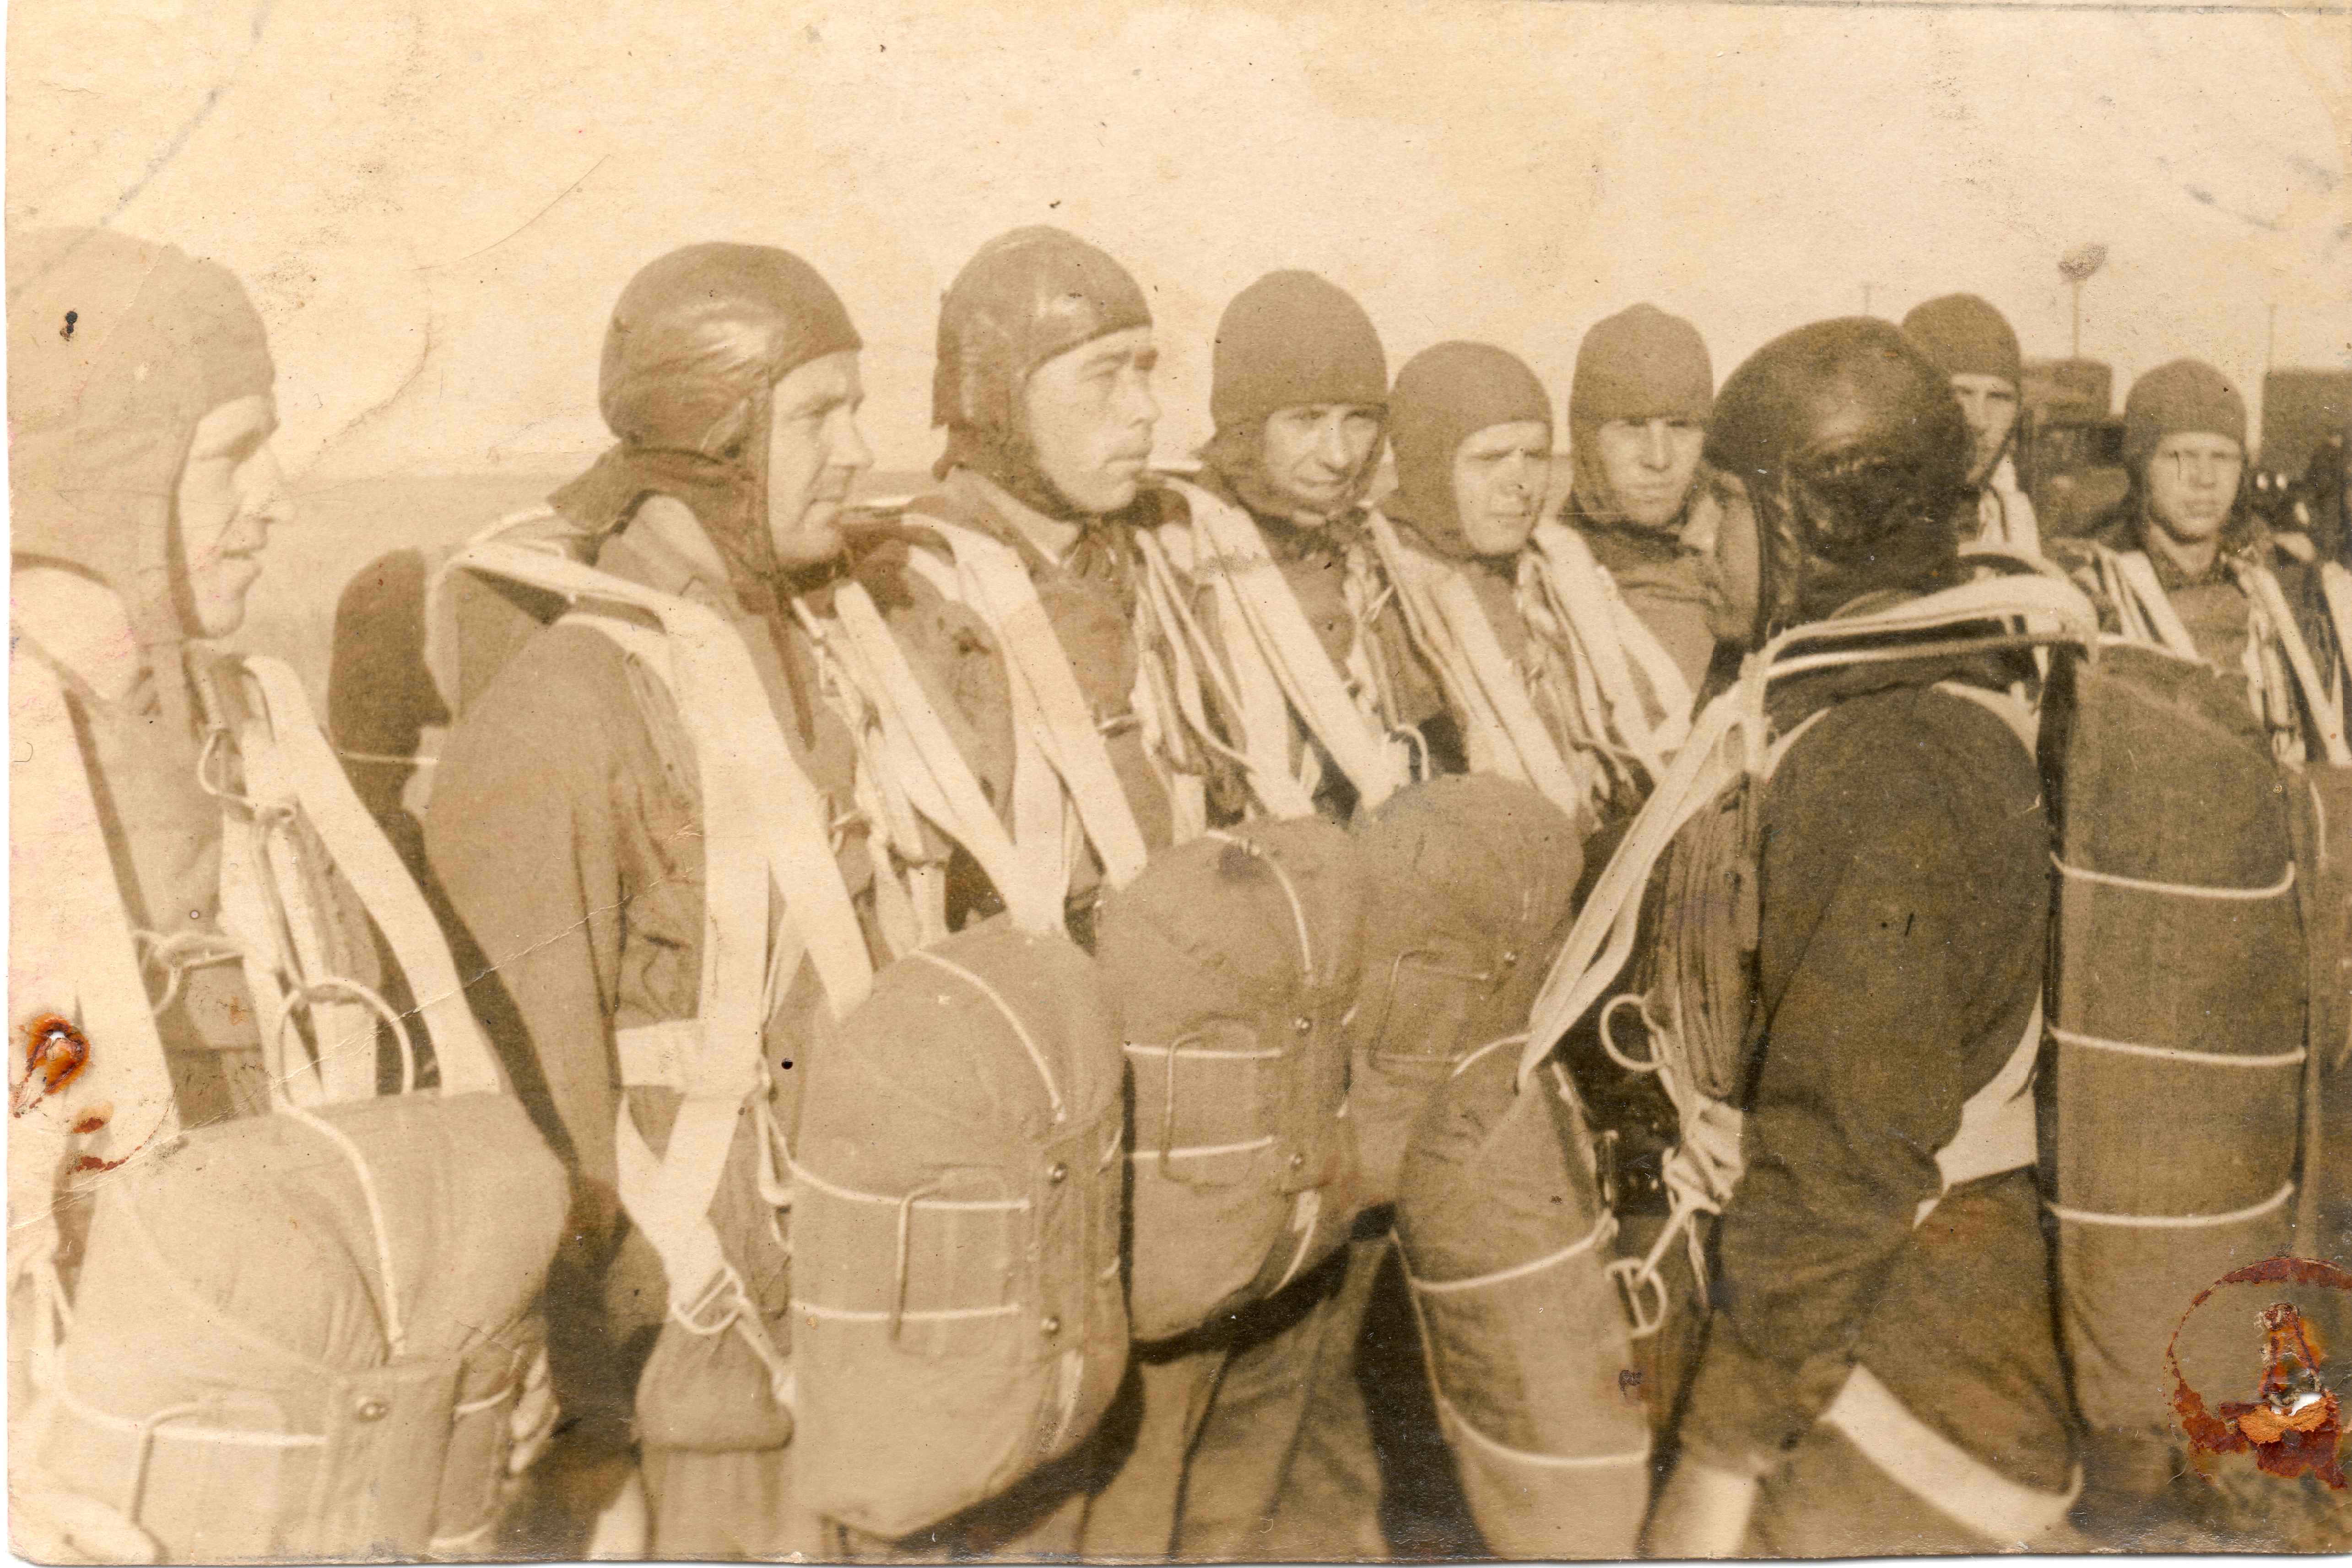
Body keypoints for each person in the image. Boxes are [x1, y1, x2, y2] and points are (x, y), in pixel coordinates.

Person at [9, 227, 565, 1563]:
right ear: (106, 481)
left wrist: (480, 1320)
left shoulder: (257, 745)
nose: (276, 498)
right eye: (230, 455)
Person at [424, 243, 888, 1558]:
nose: (859, 452)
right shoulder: (568, 706)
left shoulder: (806, 651)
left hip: (834, 1317)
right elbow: (529, 1113)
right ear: (713, 439)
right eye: (819, 414)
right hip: (683, 1367)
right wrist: (592, 1427)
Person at [1636, 319, 2079, 1557]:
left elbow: (1846, 1151)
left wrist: (1717, 1461)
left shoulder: (1886, 756)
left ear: (1810, 522)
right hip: (1910, 1332)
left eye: (1725, 505)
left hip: (1897, 1389)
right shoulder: (1918, 700)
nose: (1693, 534)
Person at [1161, 270, 1443, 822]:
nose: (1340, 456)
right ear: (1246, 427)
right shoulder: (1170, 559)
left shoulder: (1372, 553)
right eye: (1306, 420)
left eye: (1359, 421)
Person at [2052, 360, 2341, 762]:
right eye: (2179, 456)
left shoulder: (2278, 590)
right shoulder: (2088, 591)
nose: (2204, 479)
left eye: (2222, 457)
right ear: (2141, 466)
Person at [1555, 303, 1732, 701]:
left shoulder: (1742, 580)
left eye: (1680, 427)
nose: (1658, 458)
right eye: (1632, 427)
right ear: (1587, 440)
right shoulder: (1540, 583)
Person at [1902, 293, 2041, 558]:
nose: (1979, 421)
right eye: (1959, 394)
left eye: (1999, 398)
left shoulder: (2012, 518)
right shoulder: (1863, 521)